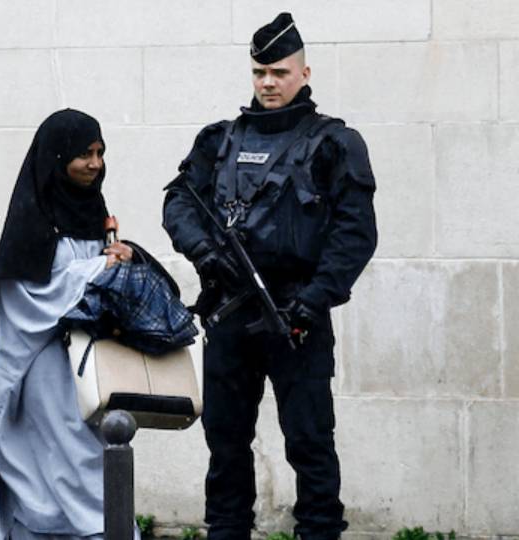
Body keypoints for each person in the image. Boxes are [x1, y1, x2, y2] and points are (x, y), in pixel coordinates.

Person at [162, 13, 377, 540]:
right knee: (226, 443)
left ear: (305, 73)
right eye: (259, 72)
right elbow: (179, 203)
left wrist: (315, 298)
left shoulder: (334, 144)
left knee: (309, 443)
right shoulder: (221, 140)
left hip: (295, 316)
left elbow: (355, 234)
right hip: (231, 315)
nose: (267, 83)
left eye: (279, 72)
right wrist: (205, 254)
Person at [0, 109, 134, 540]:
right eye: (83, 154)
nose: (95, 164)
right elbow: (25, 299)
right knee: (53, 464)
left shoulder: (93, 211)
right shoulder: (32, 220)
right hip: (39, 370)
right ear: (57, 159)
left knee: (85, 458)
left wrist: (121, 262)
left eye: (100, 153)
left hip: (87, 366)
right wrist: (97, 271)